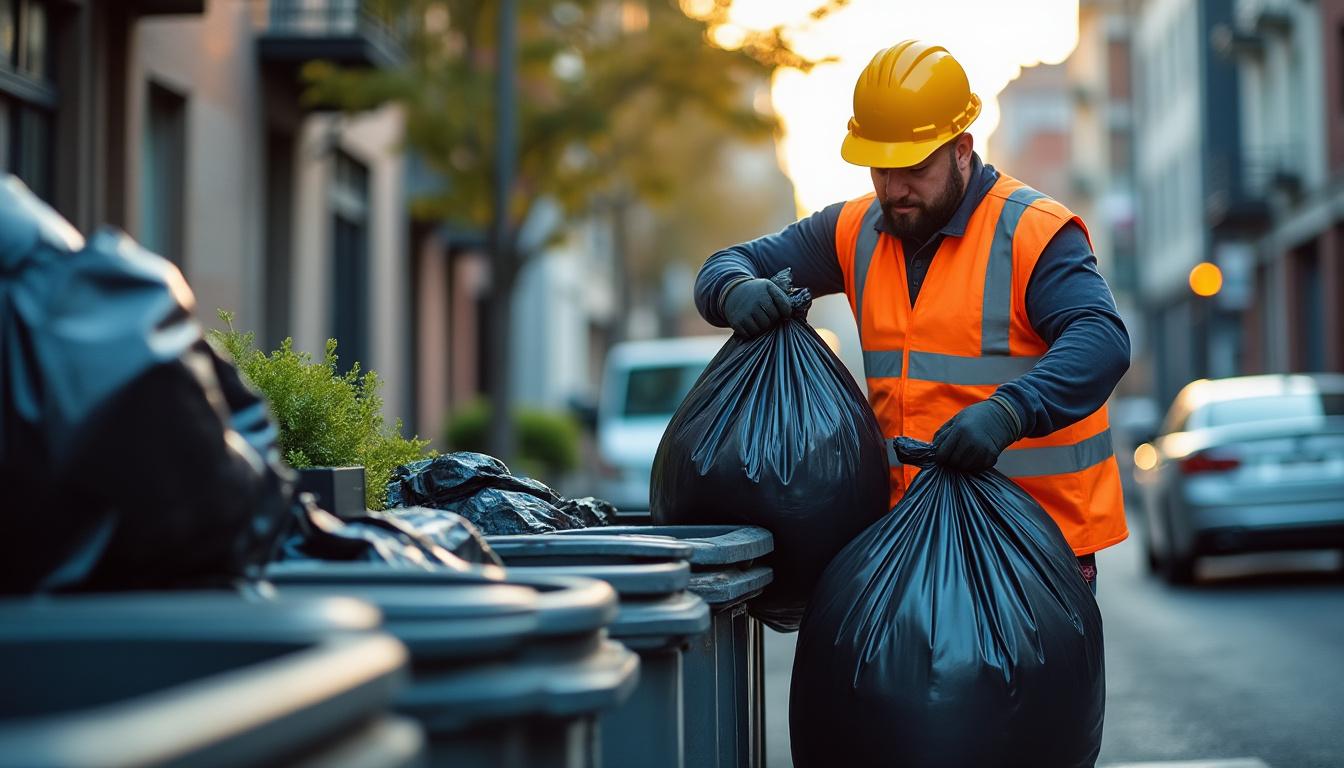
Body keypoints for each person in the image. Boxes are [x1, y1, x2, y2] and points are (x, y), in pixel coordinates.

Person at [694, 40, 1129, 591]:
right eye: (880, 168)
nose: (894, 189)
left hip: (1037, 550)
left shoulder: (1034, 233)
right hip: (910, 541)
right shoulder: (852, 231)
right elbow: (726, 263)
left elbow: (1101, 339)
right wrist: (733, 290)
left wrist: (1009, 413)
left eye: (914, 168)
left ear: (963, 149)